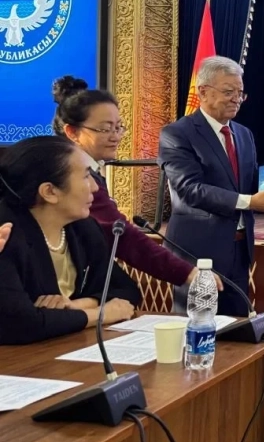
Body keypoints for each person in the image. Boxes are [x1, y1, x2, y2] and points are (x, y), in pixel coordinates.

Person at [51, 76, 222, 296]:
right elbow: (122, 237)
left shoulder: (88, 171)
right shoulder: (67, 175)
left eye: (118, 127)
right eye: (105, 129)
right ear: (72, 132)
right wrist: (187, 273)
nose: (115, 136)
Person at [158, 56, 264, 316]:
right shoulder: (177, 134)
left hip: (239, 249)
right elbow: (189, 189)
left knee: (236, 327)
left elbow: (251, 182)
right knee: (196, 326)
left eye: (240, 93)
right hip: (197, 250)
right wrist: (249, 202)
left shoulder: (243, 134)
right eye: (229, 92)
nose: (236, 99)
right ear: (203, 92)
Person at [0, 136, 139, 345]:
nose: (95, 187)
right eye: (86, 176)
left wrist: (75, 305)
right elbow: (21, 324)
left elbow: (127, 291)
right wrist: (100, 314)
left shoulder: (83, 228)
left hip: (65, 346)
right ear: (50, 192)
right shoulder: (5, 234)